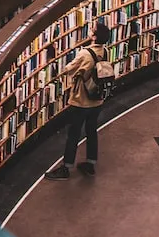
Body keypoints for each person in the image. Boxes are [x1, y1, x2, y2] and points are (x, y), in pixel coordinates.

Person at [43, 22, 110, 180]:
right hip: (97, 101)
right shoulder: (105, 51)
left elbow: (68, 70)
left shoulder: (85, 53)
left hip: (81, 101)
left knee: (73, 134)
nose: (89, 30)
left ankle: (66, 168)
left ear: (94, 36)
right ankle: (90, 164)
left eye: (92, 29)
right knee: (91, 132)